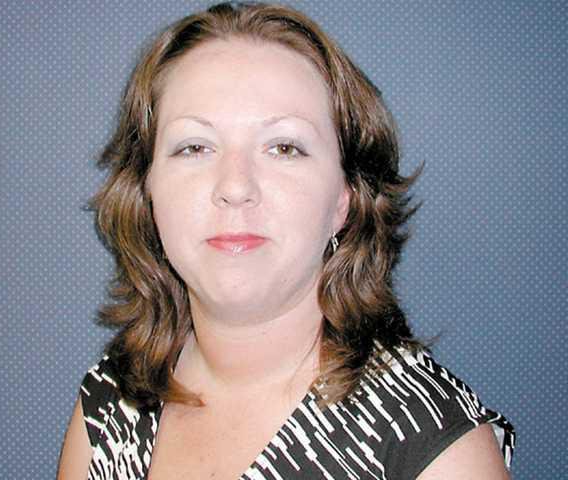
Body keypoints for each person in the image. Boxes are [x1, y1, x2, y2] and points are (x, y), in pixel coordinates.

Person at [57, 2, 515, 479]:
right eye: (194, 147)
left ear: (344, 199)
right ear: (148, 189)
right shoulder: (113, 400)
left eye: (284, 147)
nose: (235, 186)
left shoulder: (430, 448)